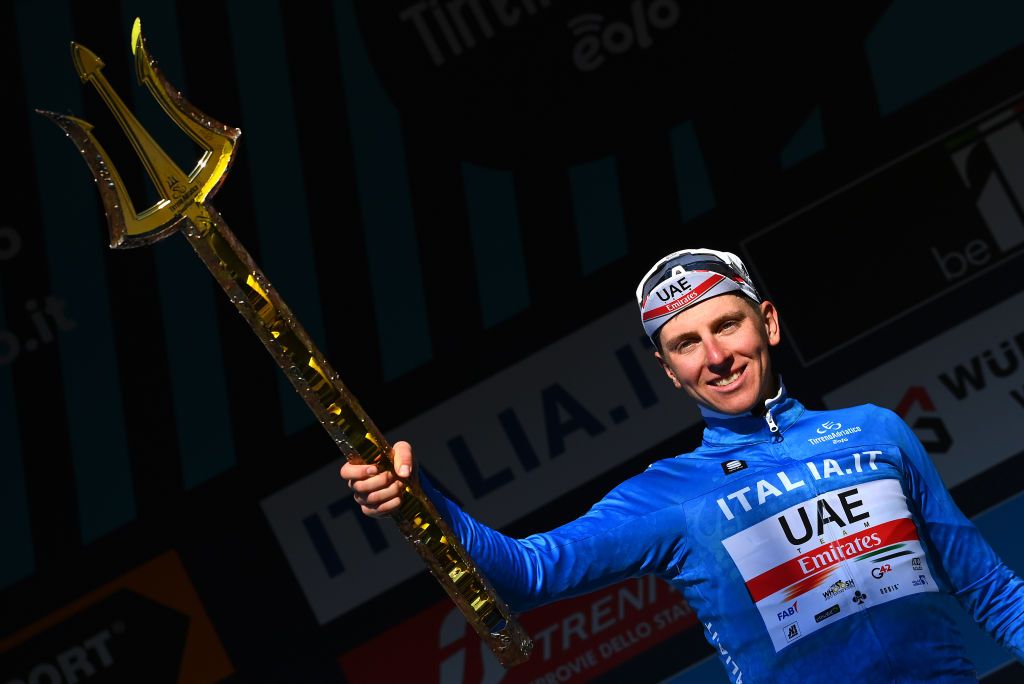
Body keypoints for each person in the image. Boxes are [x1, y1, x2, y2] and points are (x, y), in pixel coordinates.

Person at [341, 248, 1024, 682]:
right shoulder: (667, 498)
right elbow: (525, 575)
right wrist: (419, 501)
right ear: (668, 371)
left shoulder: (876, 432)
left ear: (768, 324)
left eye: (726, 325)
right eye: (686, 344)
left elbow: (992, 591)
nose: (715, 356)